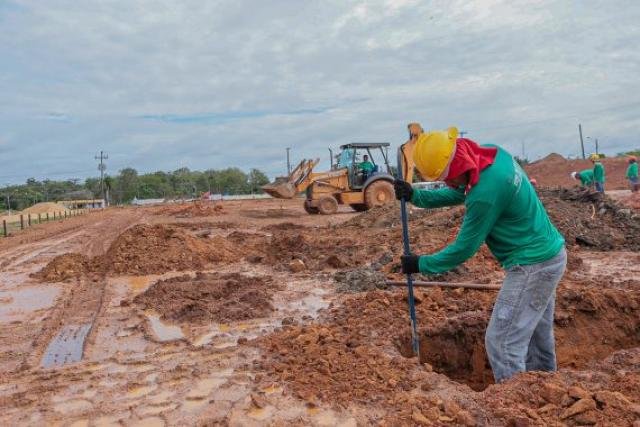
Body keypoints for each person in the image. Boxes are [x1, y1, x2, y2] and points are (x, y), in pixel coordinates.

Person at [394, 127, 566, 383]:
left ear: (456, 169)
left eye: (447, 178)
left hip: (532, 265)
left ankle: (515, 405)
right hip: (551, 255)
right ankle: (546, 392)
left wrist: (421, 263)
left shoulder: (484, 196)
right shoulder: (492, 155)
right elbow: (465, 190)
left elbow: (463, 249)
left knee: (502, 342)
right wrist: (417, 195)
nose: (448, 184)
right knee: (536, 336)